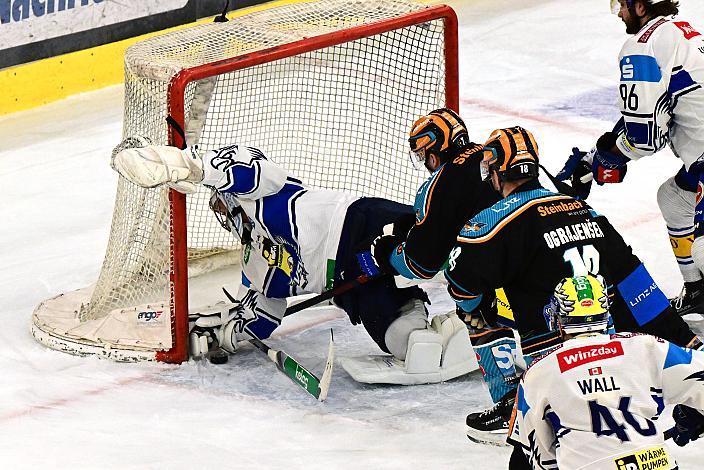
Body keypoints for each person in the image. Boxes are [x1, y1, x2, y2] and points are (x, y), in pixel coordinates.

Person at [110, 137, 473, 384]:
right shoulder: (255, 264)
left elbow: (248, 168)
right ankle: (460, 333)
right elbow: (262, 317)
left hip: (360, 224)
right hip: (350, 283)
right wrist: (220, 336)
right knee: (405, 342)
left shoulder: (260, 196)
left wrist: (193, 168)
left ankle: (497, 301)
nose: (222, 212)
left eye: (221, 203)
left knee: (454, 249)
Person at [443, 126, 701, 446]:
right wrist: (691, 350)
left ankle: (517, 406)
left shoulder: (490, 224)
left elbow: (459, 283)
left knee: (475, 303)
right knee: (619, 287)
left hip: (559, 370)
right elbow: (642, 292)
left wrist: (480, 304)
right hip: (619, 357)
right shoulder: (586, 211)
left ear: (496, 171)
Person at [364, 110, 521, 425]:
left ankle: (510, 403)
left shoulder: (439, 183)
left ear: (435, 150)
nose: (425, 161)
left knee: (474, 306)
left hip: (499, 276)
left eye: (424, 154)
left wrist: (387, 252)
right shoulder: (492, 155)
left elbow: (420, 265)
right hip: (545, 253)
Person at [557, 0, 704, 315]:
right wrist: (597, 156)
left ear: (640, 5)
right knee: (675, 198)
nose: (619, 13)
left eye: (622, 5)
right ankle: (698, 292)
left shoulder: (643, 46)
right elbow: (652, 116)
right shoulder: (685, 35)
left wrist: (608, 160)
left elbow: (645, 138)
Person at [507, 273, 704, 469]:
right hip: (654, 463)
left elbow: (537, 456)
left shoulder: (538, 371)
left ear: (558, 321)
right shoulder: (646, 346)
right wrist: (695, 416)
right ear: (607, 314)